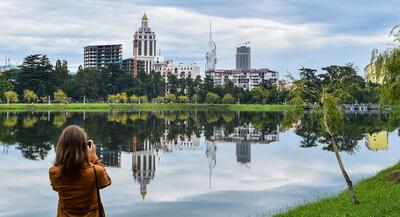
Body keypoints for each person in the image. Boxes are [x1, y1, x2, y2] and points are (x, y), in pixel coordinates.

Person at [49, 125, 111, 217]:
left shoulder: (54, 172)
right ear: (83, 147)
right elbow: (106, 182)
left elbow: (55, 188)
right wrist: (93, 156)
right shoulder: (95, 171)